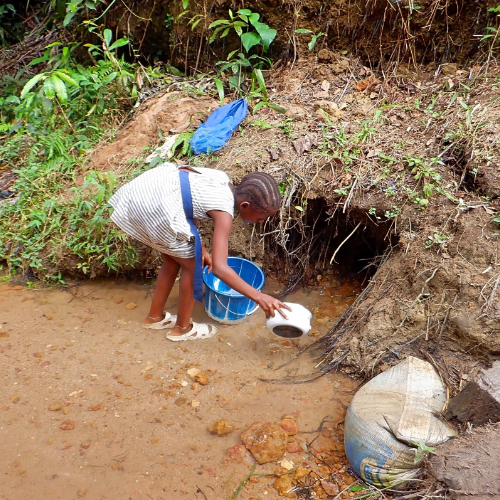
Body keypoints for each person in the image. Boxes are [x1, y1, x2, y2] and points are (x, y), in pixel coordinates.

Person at [109, 162, 290, 341]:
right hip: (154, 207)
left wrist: (201, 248)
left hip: (144, 192)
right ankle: (182, 329)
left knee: (173, 260)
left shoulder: (220, 179)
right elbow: (220, 268)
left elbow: (186, 200)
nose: (260, 222)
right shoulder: (224, 211)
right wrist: (259, 297)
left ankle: (154, 318)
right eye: (260, 217)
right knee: (193, 266)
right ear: (244, 205)